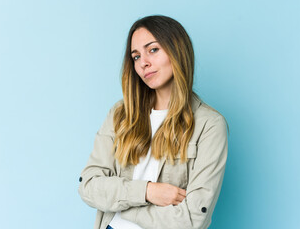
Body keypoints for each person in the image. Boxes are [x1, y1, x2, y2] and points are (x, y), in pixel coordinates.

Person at [78, 15, 228, 229]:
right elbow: (89, 186)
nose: (143, 63)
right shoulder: (120, 114)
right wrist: (148, 191)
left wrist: (123, 209)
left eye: (153, 50)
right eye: (136, 56)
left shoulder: (210, 125)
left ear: (177, 50)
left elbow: (193, 219)